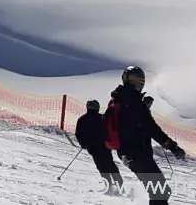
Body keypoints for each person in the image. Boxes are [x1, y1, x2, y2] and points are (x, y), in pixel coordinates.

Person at [105, 66, 185, 204]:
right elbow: (151, 128)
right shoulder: (134, 102)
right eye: (137, 80)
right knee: (160, 192)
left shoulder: (118, 100)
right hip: (137, 154)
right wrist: (173, 147)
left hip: (127, 154)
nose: (139, 83)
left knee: (158, 191)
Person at [75, 99, 123, 192]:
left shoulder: (82, 119)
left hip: (92, 147)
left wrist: (83, 144)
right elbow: (108, 130)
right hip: (104, 145)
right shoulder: (102, 118)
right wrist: (109, 140)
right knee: (109, 164)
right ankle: (119, 184)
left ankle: (109, 185)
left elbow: (78, 134)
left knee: (101, 166)